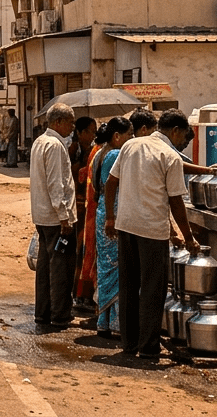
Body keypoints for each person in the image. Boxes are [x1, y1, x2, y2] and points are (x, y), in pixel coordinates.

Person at [103, 108, 197, 358]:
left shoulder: (131, 146)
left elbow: (111, 183)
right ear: (175, 131)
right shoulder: (170, 156)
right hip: (151, 231)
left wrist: (111, 217)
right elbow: (176, 202)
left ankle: (129, 343)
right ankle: (148, 347)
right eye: (183, 136)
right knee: (152, 290)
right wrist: (189, 238)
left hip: (126, 226)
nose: (182, 143)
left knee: (129, 286)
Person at [85, 116, 134, 338]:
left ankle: (104, 321)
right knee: (117, 269)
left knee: (107, 268)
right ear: (117, 136)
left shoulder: (99, 152)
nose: (131, 139)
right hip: (112, 214)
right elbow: (111, 184)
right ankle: (115, 322)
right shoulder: (115, 154)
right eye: (128, 135)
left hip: (103, 212)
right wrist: (112, 218)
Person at [30, 102, 77, 327]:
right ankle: (59, 314)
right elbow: (55, 184)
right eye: (70, 122)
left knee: (45, 266)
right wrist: (64, 216)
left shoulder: (40, 142)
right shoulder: (55, 146)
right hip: (57, 220)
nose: (72, 126)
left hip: (42, 216)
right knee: (60, 267)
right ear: (58, 122)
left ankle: (43, 312)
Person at [68, 116, 98, 310]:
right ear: (80, 133)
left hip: (84, 207)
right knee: (79, 251)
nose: (93, 135)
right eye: (90, 131)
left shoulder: (89, 150)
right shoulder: (74, 150)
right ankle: (77, 294)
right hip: (78, 207)